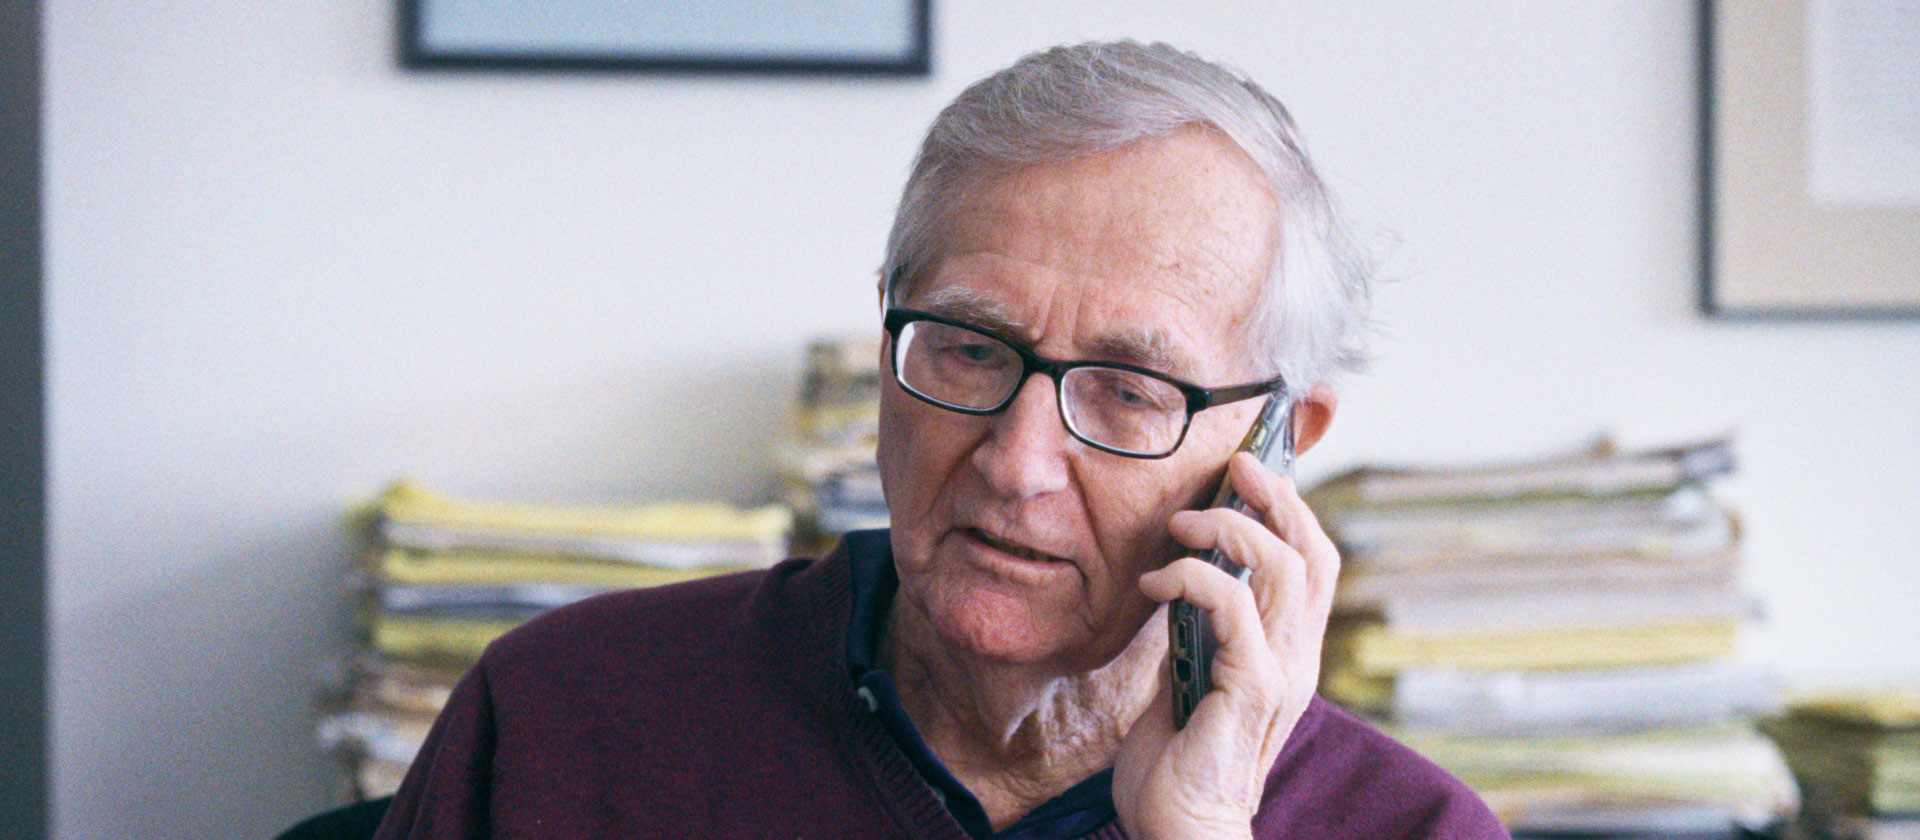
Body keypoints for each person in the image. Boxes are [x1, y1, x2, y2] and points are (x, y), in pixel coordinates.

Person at [371, 41, 1509, 840]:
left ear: (1276, 443)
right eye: (968, 349)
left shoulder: (1415, 829)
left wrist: (1200, 828)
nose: (1016, 464)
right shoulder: (563, 718)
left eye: (1128, 391)